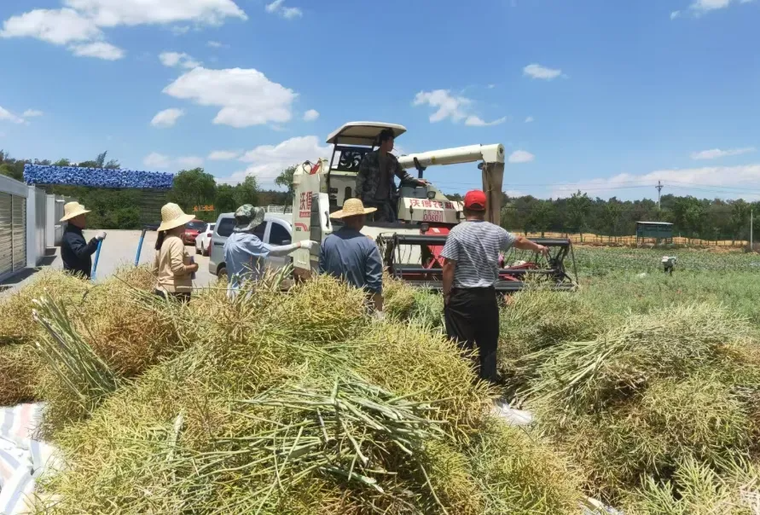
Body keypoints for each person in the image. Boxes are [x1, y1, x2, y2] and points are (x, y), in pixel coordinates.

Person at [441, 190, 549, 385]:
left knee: (460, 344)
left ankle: (463, 384)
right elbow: (519, 241)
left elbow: (448, 265)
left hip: (462, 297)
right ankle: (489, 384)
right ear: (484, 210)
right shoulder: (495, 231)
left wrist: (447, 294)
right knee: (488, 343)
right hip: (487, 297)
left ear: (465, 209)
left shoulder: (456, 232)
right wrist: (538, 247)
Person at [224, 205, 316, 297]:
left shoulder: (230, 240)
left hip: (232, 291)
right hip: (246, 293)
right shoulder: (247, 240)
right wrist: (300, 244)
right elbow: (274, 251)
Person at [319, 198, 384, 313]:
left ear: (343, 219)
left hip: (331, 308)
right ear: (361, 219)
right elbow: (374, 284)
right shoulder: (369, 245)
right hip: (358, 310)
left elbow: (321, 277)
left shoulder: (327, 242)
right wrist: (378, 310)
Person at [355, 128, 427, 223]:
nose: (392, 144)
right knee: (365, 224)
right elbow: (361, 177)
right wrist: (359, 195)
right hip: (369, 199)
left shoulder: (392, 160)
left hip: (385, 201)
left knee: (384, 225)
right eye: (390, 141)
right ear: (383, 142)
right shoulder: (370, 158)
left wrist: (417, 181)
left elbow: (403, 174)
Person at [153, 203, 199, 303]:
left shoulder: (163, 241)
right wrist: (194, 267)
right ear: (177, 225)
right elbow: (177, 269)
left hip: (161, 289)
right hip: (176, 292)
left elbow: (155, 270)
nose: (184, 225)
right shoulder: (176, 241)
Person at [60, 201, 106, 279]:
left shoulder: (74, 232)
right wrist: (96, 239)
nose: (84, 218)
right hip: (75, 279)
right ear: (74, 218)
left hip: (79, 277)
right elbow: (82, 252)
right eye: (81, 215)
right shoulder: (71, 235)